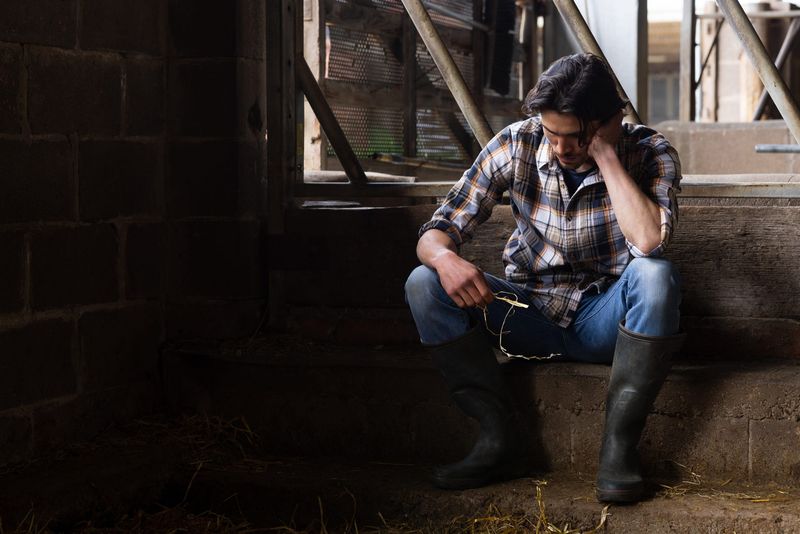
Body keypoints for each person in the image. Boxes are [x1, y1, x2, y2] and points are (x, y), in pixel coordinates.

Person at [404, 53, 685, 503]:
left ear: (610, 121)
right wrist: (444, 259)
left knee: (656, 276)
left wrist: (607, 158)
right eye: (552, 134)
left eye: (575, 137)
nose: (560, 148)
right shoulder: (517, 143)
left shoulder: (650, 152)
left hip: (604, 322)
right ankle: (497, 439)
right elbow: (436, 232)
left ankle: (617, 451)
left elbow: (650, 242)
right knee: (423, 282)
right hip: (525, 315)